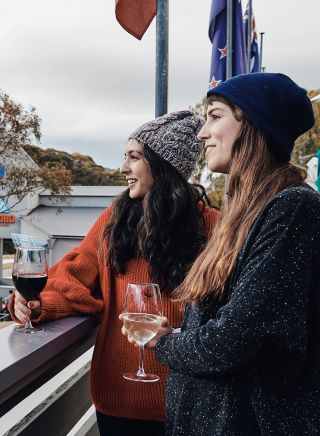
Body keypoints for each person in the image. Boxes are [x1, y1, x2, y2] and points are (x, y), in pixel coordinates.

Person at [123, 73, 320, 435]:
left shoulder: (292, 208)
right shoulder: (244, 211)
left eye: (215, 116)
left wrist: (163, 342)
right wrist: (179, 331)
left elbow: (232, 343)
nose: (202, 133)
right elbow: (235, 324)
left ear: (253, 123)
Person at [10, 110, 220, 436]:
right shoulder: (115, 220)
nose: (123, 168)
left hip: (190, 403)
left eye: (134, 158)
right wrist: (37, 303)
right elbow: (73, 274)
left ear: (164, 165)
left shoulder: (214, 228)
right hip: (119, 402)